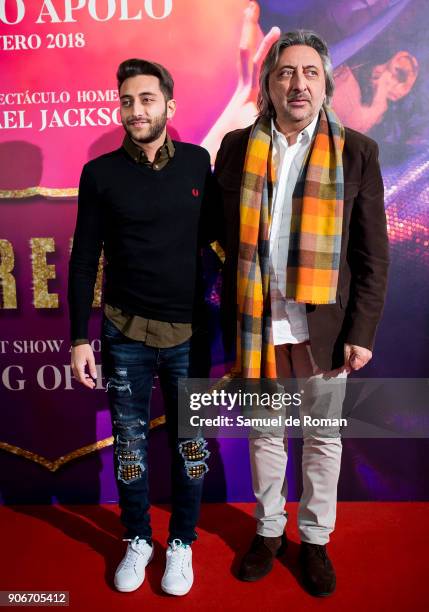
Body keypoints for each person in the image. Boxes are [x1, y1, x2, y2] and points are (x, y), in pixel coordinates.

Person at [214, 30, 389, 596]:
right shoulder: (238, 147)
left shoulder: (357, 150)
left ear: (327, 84)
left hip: (325, 325)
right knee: (264, 433)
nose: (298, 83)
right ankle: (268, 532)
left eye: (310, 72)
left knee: (321, 438)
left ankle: (314, 539)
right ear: (268, 83)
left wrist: (361, 331)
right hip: (257, 323)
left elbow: (372, 253)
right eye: (286, 71)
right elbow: (218, 237)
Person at [68, 58, 213, 597]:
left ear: (169, 106)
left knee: (190, 445)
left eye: (147, 99)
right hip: (123, 332)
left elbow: (221, 244)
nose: (136, 110)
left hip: (190, 335)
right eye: (127, 101)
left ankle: (181, 542)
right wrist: (79, 337)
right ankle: (138, 538)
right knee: (130, 443)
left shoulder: (199, 164)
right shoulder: (100, 174)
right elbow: (84, 259)